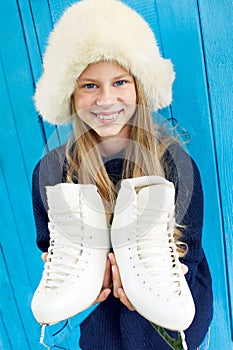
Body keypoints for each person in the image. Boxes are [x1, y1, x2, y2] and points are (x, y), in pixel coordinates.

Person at [31, 0, 213, 349]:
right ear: (70, 93)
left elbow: (189, 250)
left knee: (162, 334)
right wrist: (68, 266)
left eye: (119, 82)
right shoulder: (52, 171)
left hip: (169, 293)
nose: (106, 99)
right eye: (89, 86)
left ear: (139, 88)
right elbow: (48, 242)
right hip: (99, 305)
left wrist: (154, 278)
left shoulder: (175, 163)